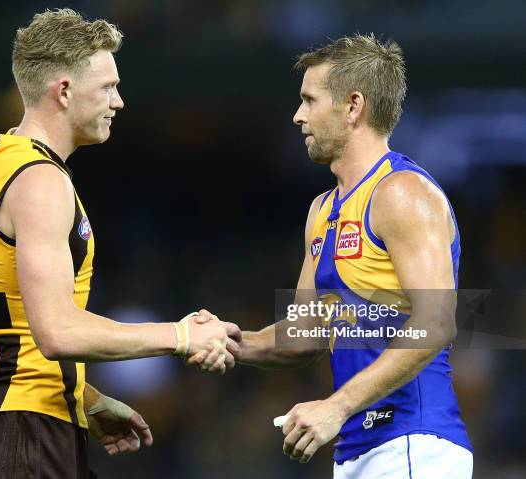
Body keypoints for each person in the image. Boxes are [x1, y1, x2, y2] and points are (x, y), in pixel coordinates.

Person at [0, 9, 239, 478]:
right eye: (107, 87)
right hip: (22, 436)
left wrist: (84, 398)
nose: (119, 101)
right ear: (64, 91)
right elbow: (56, 333)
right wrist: (181, 336)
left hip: (8, 428)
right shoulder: (41, 182)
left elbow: (11, 325)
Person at [192, 34, 473, 478]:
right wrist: (229, 341)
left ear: (353, 105)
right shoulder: (322, 210)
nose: (297, 115)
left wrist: (335, 406)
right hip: (357, 448)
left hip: (413, 443)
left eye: (309, 100)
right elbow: (305, 333)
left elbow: (436, 323)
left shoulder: (402, 192)